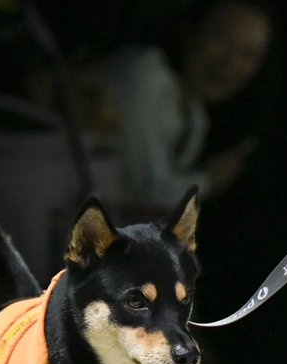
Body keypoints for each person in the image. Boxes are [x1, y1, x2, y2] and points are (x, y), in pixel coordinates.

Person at [83, 0, 273, 208]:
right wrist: (210, 179)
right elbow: (144, 193)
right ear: (189, 32)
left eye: (248, 54)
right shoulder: (142, 77)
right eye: (221, 40)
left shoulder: (196, 118)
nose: (231, 62)